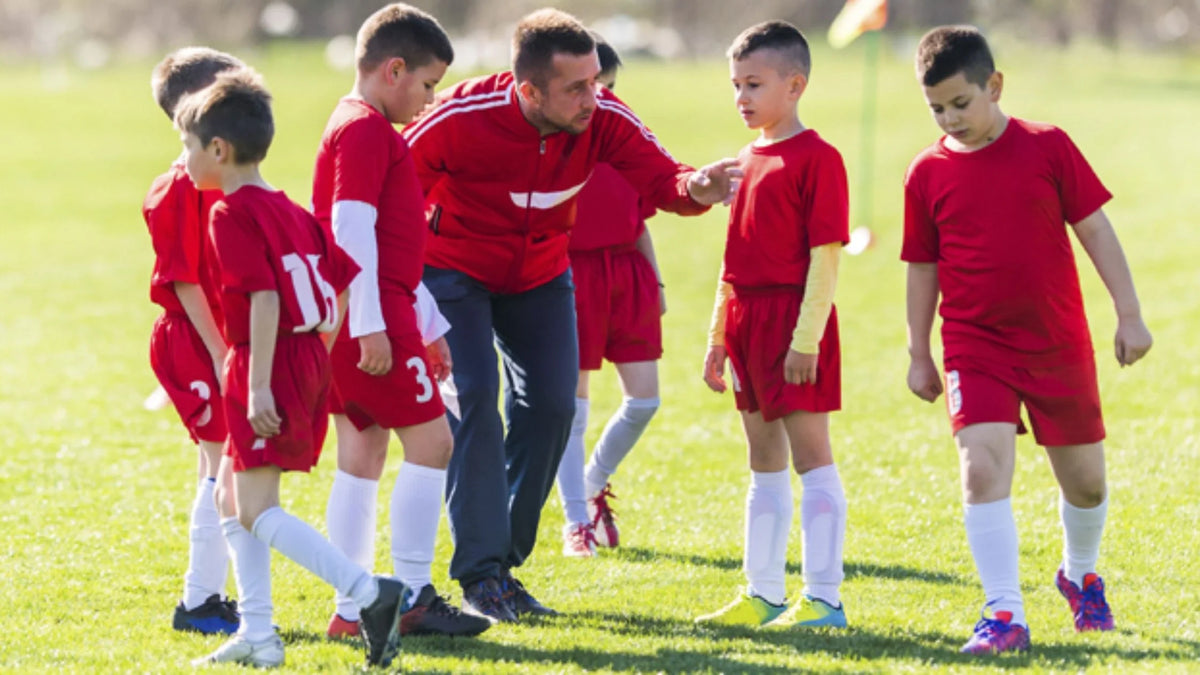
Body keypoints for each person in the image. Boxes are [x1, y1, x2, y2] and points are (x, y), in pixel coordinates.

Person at [404, 7, 740, 622]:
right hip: (453, 273)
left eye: (595, 80)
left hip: (540, 277)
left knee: (554, 406)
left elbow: (664, 178)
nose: (595, 96)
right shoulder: (455, 119)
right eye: (577, 87)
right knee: (476, 396)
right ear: (528, 90)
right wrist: (403, 296)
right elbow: (391, 195)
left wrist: (698, 187)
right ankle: (483, 574)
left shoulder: (604, 117)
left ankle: (500, 559)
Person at [902, 26, 1153, 654]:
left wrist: (1129, 314)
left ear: (995, 85)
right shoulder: (926, 173)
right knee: (981, 468)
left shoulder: (1048, 147)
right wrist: (918, 350)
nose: (950, 119)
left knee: (1087, 484)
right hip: (973, 343)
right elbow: (922, 266)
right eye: (937, 108)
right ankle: (1004, 613)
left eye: (961, 103)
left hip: (1056, 341)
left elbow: (1095, 231)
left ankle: (1079, 573)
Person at [176, 69, 408, 669]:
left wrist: (256, 383)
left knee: (256, 508)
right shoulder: (290, 208)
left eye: (189, 147)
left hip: (267, 359)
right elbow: (338, 282)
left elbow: (265, 298)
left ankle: (368, 591)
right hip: (302, 356)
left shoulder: (229, 214)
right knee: (232, 496)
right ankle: (258, 634)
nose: (185, 159)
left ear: (219, 150)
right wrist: (314, 353)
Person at [311, 3, 489, 639]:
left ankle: (353, 607)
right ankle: (411, 594)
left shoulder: (353, 123)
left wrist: (427, 321)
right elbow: (351, 229)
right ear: (393, 70)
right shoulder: (365, 130)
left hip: (373, 313)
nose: (429, 98)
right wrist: (372, 325)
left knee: (361, 454)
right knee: (434, 443)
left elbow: (388, 241)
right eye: (427, 83)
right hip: (371, 317)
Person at [695, 21, 850, 631]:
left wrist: (804, 341)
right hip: (745, 322)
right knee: (763, 459)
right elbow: (732, 263)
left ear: (795, 85)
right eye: (735, 84)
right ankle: (762, 593)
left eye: (754, 84)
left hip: (793, 324)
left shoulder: (819, 158)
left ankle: (824, 598)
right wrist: (715, 337)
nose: (742, 97)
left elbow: (825, 258)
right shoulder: (740, 161)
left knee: (811, 457)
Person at [552, 36, 665, 558]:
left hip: (628, 273)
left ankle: (594, 478)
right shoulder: (555, 141)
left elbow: (641, 216)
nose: (602, 100)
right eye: (592, 88)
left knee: (645, 399)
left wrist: (656, 280)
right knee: (572, 407)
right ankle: (576, 520)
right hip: (571, 274)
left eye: (610, 87)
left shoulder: (625, 133)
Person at [144, 46, 244, 635]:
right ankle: (200, 600)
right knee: (219, 463)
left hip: (218, 339)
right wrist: (220, 350)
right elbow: (181, 279)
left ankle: (212, 597)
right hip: (196, 339)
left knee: (225, 462)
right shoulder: (176, 187)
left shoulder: (220, 176)